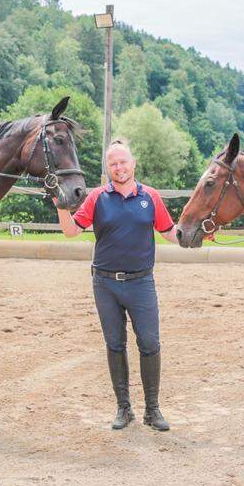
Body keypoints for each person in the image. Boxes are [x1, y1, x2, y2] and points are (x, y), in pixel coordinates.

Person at [55, 140, 178, 431]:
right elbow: (71, 231)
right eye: (113, 164)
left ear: (133, 163)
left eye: (123, 162)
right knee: (115, 344)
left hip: (141, 283)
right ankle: (124, 409)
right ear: (107, 168)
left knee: (149, 343)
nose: (119, 168)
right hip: (105, 284)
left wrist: (197, 236)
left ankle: (152, 410)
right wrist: (61, 207)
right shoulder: (97, 197)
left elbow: (171, 232)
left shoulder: (151, 197)